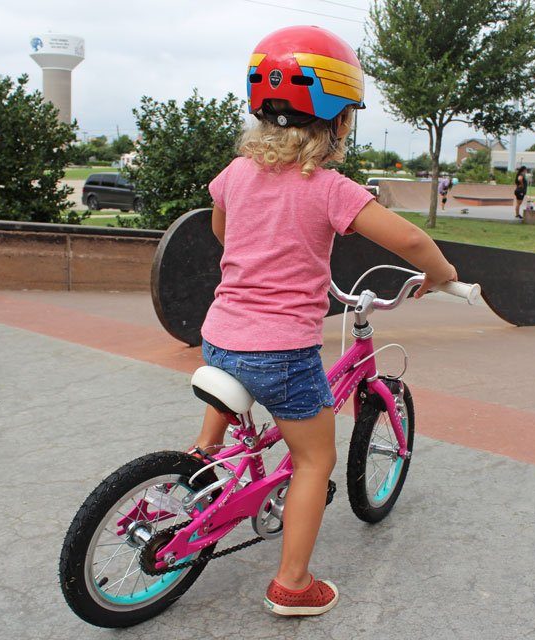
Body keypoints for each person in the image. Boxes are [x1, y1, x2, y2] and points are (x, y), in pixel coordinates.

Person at [189, 25, 458, 617]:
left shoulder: (236, 173)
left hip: (220, 332)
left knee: (236, 363)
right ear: (337, 121)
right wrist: (441, 275)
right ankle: (292, 583)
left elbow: (220, 230)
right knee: (315, 458)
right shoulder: (331, 188)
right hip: (281, 352)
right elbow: (409, 238)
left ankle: (204, 455)